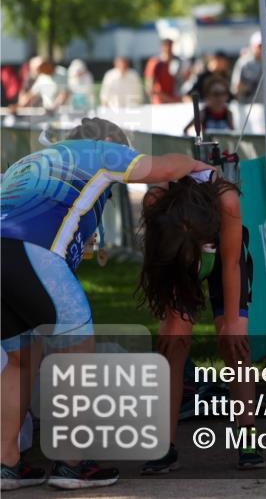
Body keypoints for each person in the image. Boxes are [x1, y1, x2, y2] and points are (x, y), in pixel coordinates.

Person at [1, 118, 214, 489]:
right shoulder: (100, 151)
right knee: (77, 356)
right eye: (125, 146)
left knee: (22, 360)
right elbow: (164, 167)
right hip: (33, 254)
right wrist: (199, 167)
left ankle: (6, 463)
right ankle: (72, 464)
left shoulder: (34, 160)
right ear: (112, 140)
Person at [137, 165, 266, 473]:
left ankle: (248, 438)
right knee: (173, 344)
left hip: (226, 261)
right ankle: (165, 446)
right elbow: (156, 263)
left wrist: (232, 322)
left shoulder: (226, 199)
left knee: (235, 344)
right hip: (175, 263)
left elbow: (231, 265)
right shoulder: (156, 200)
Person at [145, 38, 181, 104]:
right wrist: (169, 99)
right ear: (162, 48)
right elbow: (150, 88)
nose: (169, 50)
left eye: (170, 47)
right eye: (167, 46)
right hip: (160, 104)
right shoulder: (155, 63)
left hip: (173, 102)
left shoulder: (174, 62)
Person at [230, 32, 263, 103]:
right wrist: (248, 88)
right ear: (253, 46)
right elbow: (235, 88)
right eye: (260, 46)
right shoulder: (243, 63)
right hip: (248, 105)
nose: (262, 49)